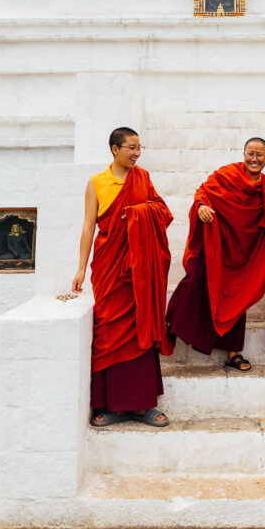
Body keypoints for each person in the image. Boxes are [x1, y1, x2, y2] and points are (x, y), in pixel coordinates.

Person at [71, 126, 174, 427]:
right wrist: (80, 267)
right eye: (131, 147)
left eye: (139, 148)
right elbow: (89, 226)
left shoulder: (142, 179)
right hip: (110, 269)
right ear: (115, 149)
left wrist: (138, 213)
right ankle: (110, 405)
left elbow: (162, 211)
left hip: (140, 270)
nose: (136, 153)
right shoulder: (96, 183)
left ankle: (143, 406)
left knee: (139, 329)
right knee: (108, 332)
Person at [166, 138, 265, 371]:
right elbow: (202, 193)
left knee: (238, 297)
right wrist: (202, 207)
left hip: (244, 252)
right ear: (243, 153)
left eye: (260, 155)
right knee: (194, 279)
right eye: (250, 153)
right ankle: (171, 326)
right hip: (217, 242)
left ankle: (233, 354)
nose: (254, 159)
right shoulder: (228, 174)